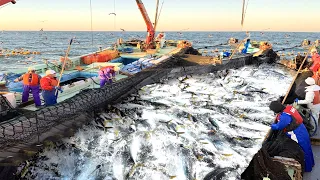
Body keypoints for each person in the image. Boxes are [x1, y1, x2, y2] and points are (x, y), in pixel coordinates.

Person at [269, 101, 315, 172]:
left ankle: (307, 168)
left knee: (302, 150)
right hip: (302, 129)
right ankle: (311, 164)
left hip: (296, 133)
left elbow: (279, 127)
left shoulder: (285, 116)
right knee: (307, 147)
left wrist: (271, 125)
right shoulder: (289, 107)